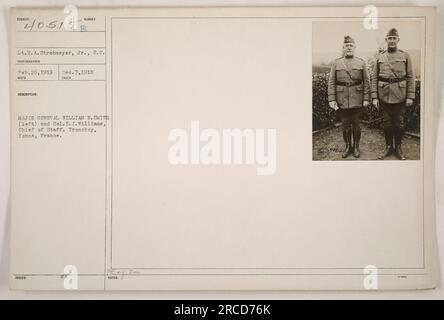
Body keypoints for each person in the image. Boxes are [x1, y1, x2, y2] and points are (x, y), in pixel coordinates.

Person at [371, 28, 415, 160]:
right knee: (387, 124)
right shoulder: (380, 56)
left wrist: (410, 96)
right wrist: (374, 96)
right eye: (389, 38)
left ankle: (399, 148)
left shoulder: (405, 56)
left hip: (400, 95)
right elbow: (374, 78)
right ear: (386, 40)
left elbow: (410, 77)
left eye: (394, 38)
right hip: (384, 95)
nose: (391, 41)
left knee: (399, 124)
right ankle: (389, 147)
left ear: (398, 40)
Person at [328, 35, 370, 158]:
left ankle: (356, 147)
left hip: (357, 98)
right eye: (346, 46)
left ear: (355, 47)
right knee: (345, 125)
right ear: (343, 48)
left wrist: (366, 98)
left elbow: (366, 81)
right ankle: (347, 146)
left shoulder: (361, 62)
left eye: (351, 45)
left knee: (357, 124)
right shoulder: (336, 63)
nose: (349, 48)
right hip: (342, 99)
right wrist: (332, 99)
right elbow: (331, 82)